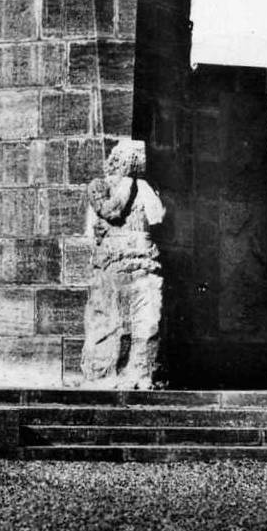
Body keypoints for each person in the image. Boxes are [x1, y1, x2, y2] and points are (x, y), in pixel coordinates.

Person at [81, 138, 165, 390]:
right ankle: (103, 375)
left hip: (145, 264)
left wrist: (141, 185)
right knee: (111, 325)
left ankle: (141, 373)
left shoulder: (146, 188)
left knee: (149, 323)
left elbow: (158, 215)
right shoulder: (100, 186)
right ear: (118, 161)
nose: (138, 161)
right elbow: (111, 211)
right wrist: (129, 182)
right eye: (132, 157)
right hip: (114, 265)